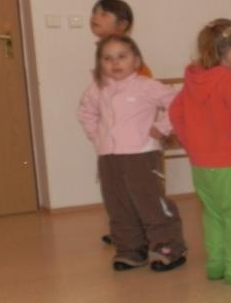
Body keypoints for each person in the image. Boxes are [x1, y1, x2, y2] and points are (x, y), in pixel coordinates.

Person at [169, 19, 231, 284]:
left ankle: (217, 265)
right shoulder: (229, 80)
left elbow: (175, 112)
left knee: (212, 215)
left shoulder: (193, 79)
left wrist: (191, 144)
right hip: (229, 163)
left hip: (200, 164)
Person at [77, 35, 186, 271]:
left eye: (122, 57)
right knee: (118, 204)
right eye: (107, 58)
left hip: (141, 155)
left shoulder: (146, 86)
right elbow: (86, 112)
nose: (115, 63)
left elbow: (178, 102)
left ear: (136, 61)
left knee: (150, 202)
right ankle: (130, 250)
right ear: (99, 63)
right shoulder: (96, 90)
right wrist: (96, 136)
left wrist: (162, 127)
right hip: (108, 158)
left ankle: (168, 247)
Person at [90, 0, 149, 246]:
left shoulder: (133, 67)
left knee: (133, 188)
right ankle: (125, 231)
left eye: (104, 14)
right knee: (115, 189)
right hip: (112, 141)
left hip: (133, 142)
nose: (95, 17)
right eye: (95, 13)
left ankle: (139, 233)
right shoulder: (103, 58)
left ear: (123, 25)